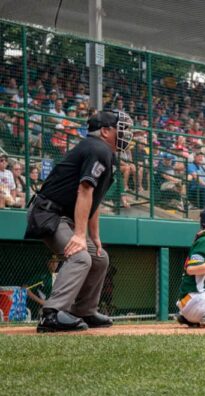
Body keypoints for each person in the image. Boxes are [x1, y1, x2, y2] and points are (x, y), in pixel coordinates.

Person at [24, 111, 133, 333]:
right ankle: (51, 315)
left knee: (99, 258)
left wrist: (94, 237)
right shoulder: (97, 148)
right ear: (104, 131)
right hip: (48, 213)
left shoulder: (107, 153)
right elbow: (84, 190)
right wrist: (79, 236)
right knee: (80, 257)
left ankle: (83, 310)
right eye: (119, 128)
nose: (125, 134)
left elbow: (93, 201)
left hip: (66, 217)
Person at [23, 254, 61, 319]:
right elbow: (25, 288)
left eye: (56, 262)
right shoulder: (42, 276)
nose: (54, 264)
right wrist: (40, 301)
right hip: (44, 309)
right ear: (48, 263)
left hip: (58, 307)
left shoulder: (60, 275)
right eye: (52, 262)